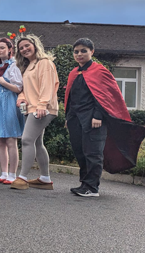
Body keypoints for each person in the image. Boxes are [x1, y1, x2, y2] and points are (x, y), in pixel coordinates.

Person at [65, 38, 145, 197]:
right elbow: (71, 98)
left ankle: (92, 188)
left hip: (94, 119)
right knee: (80, 151)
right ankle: (84, 183)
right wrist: (68, 118)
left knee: (93, 152)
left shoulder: (100, 71)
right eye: (76, 51)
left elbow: (106, 97)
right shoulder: (74, 73)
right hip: (75, 119)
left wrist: (97, 116)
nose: (79, 54)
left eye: (83, 51)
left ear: (92, 52)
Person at [11, 34, 59, 190]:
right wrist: (22, 97)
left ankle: (22, 178)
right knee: (37, 142)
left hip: (42, 108)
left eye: (27, 46)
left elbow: (48, 85)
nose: (25, 49)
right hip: (32, 108)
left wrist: (42, 105)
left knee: (26, 140)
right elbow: (26, 88)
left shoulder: (44, 63)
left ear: (35, 45)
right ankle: (45, 179)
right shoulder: (27, 66)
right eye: (21, 48)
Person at [0, 38, 24, 184]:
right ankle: (3, 172)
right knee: (0, 140)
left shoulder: (14, 66)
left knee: (10, 139)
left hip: (9, 100)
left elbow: (18, 88)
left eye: (2, 48)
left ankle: (13, 174)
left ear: (9, 49)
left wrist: (3, 82)